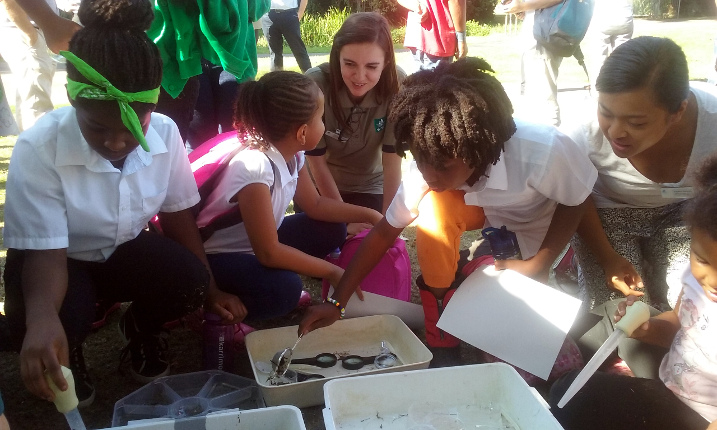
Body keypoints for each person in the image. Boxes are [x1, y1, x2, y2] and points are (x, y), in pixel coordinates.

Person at [2, 0, 244, 408]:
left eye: (135, 126)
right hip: (60, 260)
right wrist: (43, 319)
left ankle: (141, 327)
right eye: (97, 127)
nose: (116, 142)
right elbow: (46, 254)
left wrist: (210, 288)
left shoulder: (166, 133)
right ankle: (68, 343)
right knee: (60, 316)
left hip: (123, 249)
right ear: (71, 98)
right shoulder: (38, 147)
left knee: (190, 282)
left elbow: (178, 217)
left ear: (152, 107)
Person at [299, 57, 597, 366]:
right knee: (432, 212)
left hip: (540, 223)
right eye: (418, 156)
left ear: (479, 146)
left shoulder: (543, 150)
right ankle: (441, 327)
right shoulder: (431, 154)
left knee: (521, 351)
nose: (429, 173)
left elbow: (576, 200)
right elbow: (384, 233)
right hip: (489, 215)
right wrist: (337, 302)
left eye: (442, 165)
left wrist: (539, 263)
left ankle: (475, 265)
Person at [196, 71, 383, 321]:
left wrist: (369, 214)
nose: (324, 125)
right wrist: (334, 272)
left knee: (332, 228)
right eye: (321, 118)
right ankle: (217, 314)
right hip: (217, 257)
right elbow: (268, 252)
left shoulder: (292, 154)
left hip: (251, 245)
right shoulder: (255, 168)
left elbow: (314, 205)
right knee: (286, 290)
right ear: (302, 132)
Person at [549, 155, 717, 430]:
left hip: (701, 416)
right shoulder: (695, 278)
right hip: (672, 383)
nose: (711, 280)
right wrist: (647, 329)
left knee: (575, 401)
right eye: (702, 260)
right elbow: (679, 327)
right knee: (568, 392)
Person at [567, 37, 717, 312]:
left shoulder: (713, 118)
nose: (614, 132)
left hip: (684, 213)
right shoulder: (580, 131)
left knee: (694, 308)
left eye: (636, 122)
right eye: (606, 112)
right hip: (608, 215)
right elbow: (575, 198)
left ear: (678, 111)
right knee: (620, 312)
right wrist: (606, 256)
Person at [304, 12, 404, 222]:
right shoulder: (314, 85)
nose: (359, 77)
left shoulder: (398, 85)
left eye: (371, 67)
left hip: (370, 185)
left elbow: (392, 162)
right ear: (336, 57)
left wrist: (387, 225)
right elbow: (316, 163)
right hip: (320, 187)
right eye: (349, 64)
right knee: (327, 243)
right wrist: (344, 222)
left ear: (386, 63)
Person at [496, 0, 563, 126]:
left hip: (544, 37)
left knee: (545, 99)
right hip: (537, 34)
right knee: (534, 97)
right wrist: (524, 8)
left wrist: (522, 5)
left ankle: (550, 139)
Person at [0, 0, 56, 131]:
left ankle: (29, 145)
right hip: (24, 32)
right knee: (38, 106)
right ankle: (42, 148)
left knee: (30, 99)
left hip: (31, 31)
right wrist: (30, 35)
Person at [398, 0, 467, 71]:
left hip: (415, 35)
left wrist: (417, 6)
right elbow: (456, 2)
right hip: (439, 40)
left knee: (420, 80)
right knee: (437, 80)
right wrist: (461, 39)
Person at [586, 0, 633, 91]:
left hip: (602, 14)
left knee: (598, 61)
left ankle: (598, 97)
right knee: (622, 62)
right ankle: (622, 95)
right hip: (625, 14)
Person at [260, 0, 311, 73]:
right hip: (268, 16)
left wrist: (300, 14)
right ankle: (276, 80)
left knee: (298, 49)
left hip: (289, 14)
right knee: (274, 53)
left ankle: (311, 77)